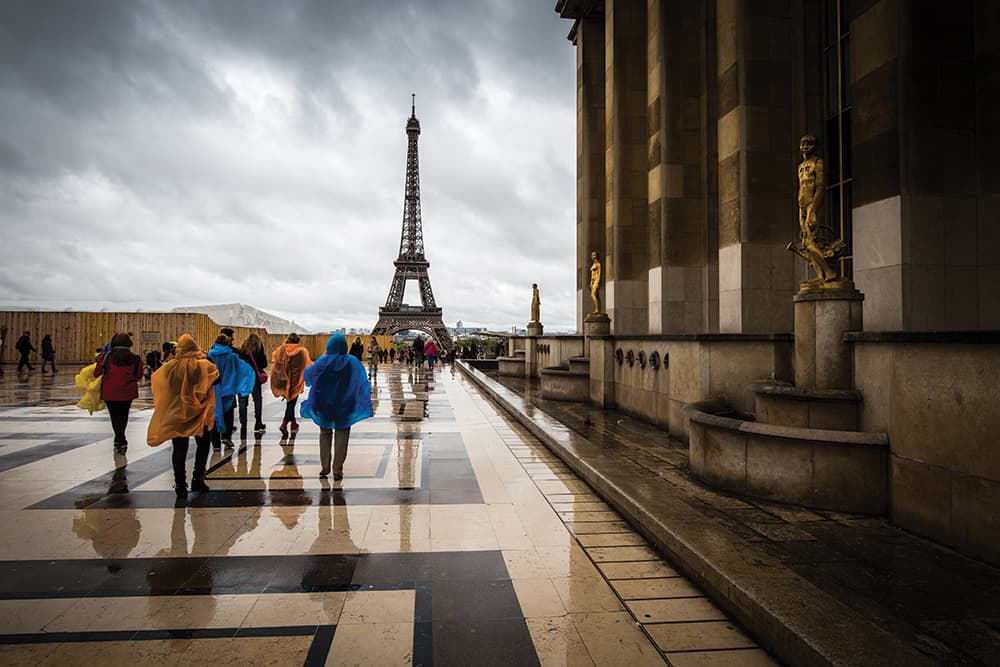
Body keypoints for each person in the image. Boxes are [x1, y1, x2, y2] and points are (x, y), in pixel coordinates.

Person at [146, 333, 219, 498]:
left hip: (177, 412)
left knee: (179, 448)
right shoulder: (203, 365)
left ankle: (180, 482)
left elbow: (157, 381)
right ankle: (198, 478)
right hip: (199, 411)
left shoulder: (169, 367)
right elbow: (216, 378)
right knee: (203, 445)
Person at [300, 333, 374, 480]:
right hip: (345, 404)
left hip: (324, 404)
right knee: (342, 435)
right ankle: (337, 469)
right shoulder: (352, 362)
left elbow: (308, 377)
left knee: (325, 434)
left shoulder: (323, 361)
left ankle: (325, 466)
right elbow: (361, 383)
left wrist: (323, 358)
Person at [95, 333, 144, 454]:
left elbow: (97, 373)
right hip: (127, 392)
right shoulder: (135, 358)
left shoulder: (105, 357)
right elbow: (139, 375)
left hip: (110, 391)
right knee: (123, 415)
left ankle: (120, 440)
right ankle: (120, 439)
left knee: (114, 416)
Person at [207, 334, 254, 449]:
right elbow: (243, 370)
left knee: (214, 414)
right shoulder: (232, 356)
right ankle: (226, 437)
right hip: (228, 390)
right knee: (228, 414)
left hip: (213, 390)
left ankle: (216, 443)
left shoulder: (209, 356)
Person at [271, 333, 313, 436]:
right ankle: (284, 424)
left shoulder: (280, 350)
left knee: (290, 402)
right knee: (291, 403)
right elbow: (308, 365)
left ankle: (293, 423)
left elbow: (275, 361)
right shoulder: (302, 351)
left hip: (284, 380)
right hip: (296, 381)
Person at [237, 333, 269, 436]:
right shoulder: (258, 350)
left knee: (243, 401)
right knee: (257, 400)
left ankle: (243, 424)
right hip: (255, 378)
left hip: (243, 379)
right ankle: (258, 423)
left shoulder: (242, 350)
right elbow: (264, 364)